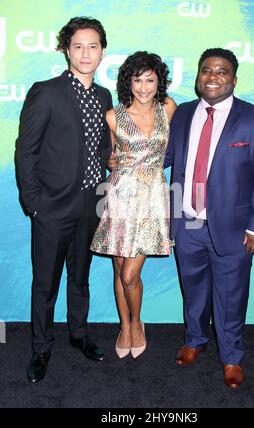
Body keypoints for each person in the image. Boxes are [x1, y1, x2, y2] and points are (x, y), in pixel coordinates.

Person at [164, 48, 254, 388]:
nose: (213, 76)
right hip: (187, 222)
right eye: (206, 70)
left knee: (231, 295)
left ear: (234, 78)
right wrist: (126, 162)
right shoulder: (184, 114)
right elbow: (169, 157)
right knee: (193, 288)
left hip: (233, 228)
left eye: (222, 71)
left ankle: (231, 357)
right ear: (198, 76)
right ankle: (195, 339)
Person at [15, 17, 113, 383]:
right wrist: (34, 203)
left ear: (103, 51)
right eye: (78, 46)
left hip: (90, 205)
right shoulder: (47, 91)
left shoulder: (103, 96)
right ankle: (41, 348)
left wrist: (114, 160)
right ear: (65, 49)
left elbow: (102, 147)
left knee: (81, 277)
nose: (86, 53)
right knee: (45, 283)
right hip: (51, 208)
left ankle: (78, 334)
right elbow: (26, 151)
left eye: (93, 46)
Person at [91, 51, 177, 359]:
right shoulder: (113, 115)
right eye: (137, 80)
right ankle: (125, 326)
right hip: (120, 197)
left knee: (130, 275)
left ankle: (138, 323)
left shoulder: (168, 108)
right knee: (118, 269)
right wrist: (110, 159)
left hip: (152, 197)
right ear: (128, 82)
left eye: (150, 80)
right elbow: (109, 156)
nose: (143, 87)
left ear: (159, 82)